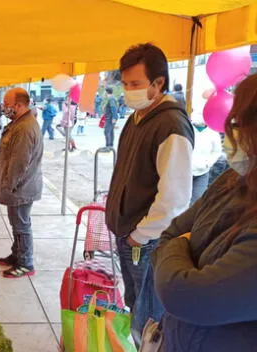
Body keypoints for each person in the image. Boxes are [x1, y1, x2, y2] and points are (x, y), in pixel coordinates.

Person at [151, 73, 257, 352]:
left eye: (239, 124)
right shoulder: (234, 180)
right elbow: (171, 232)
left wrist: (179, 246)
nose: (230, 133)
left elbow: (186, 295)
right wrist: (178, 245)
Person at [105, 43, 194, 343]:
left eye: (136, 84)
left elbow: (174, 197)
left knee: (149, 317)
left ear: (158, 83)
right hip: (127, 233)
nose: (129, 90)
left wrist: (139, 235)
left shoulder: (171, 125)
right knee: (134, 305)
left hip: (146, 240)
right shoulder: (137, 118)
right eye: (126, 84)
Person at [0, 88, 43, 278]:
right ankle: (17, 254)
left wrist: (8, 186)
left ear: (20, 105)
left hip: (20, 187)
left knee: (21, 225)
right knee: (17, 223)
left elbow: (18, 162)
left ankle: (25, 263)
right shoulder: (19, 123)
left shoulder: (24, 128)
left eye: (7, 104)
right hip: (18, 186)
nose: (4, 108)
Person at [190, 115, 222, 204]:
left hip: (202, 173)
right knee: (181, 200)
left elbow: (217, 151)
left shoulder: (213, 132)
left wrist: (208, 163)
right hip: (185, 171)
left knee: (197, 200)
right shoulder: (188, 128)